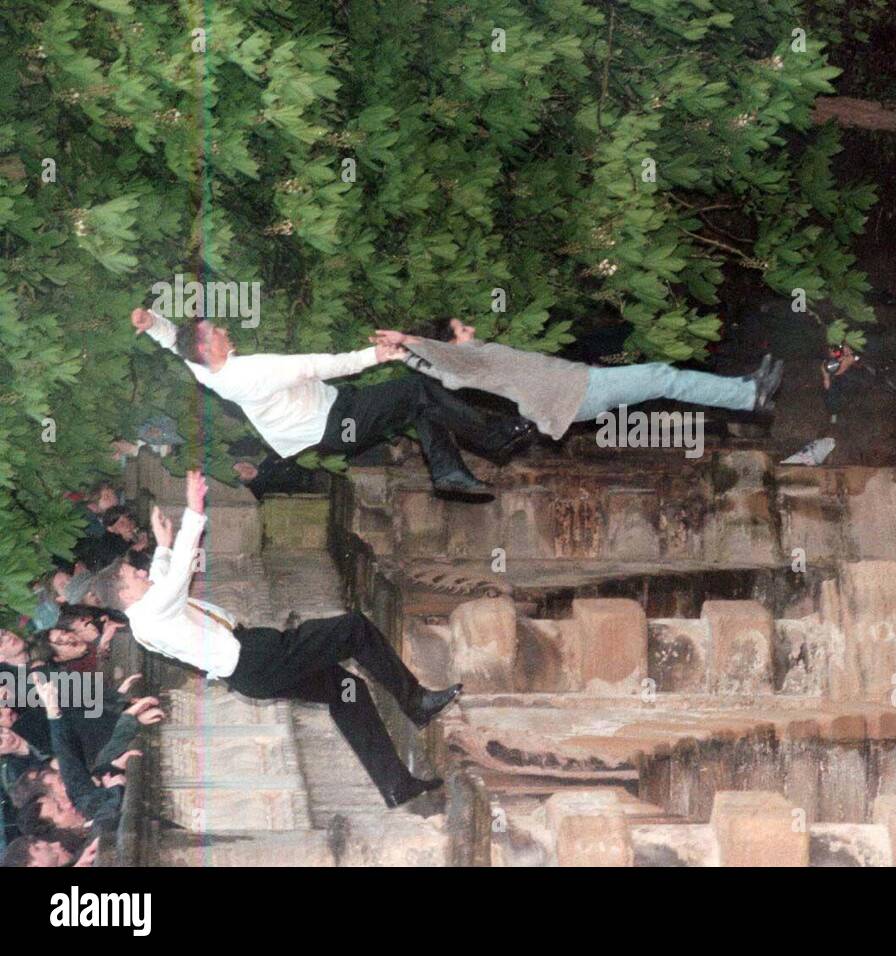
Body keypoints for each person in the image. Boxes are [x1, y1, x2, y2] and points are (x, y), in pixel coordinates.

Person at [91, 470, 462, 809]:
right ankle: (417, 702)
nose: (141, 574)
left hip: (252, 670)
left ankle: (396, 785)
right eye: (133, 575)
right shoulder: (151, 612)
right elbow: (175, 579)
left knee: (346, 690)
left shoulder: (143, 617)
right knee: (354, 628)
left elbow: (162, 579)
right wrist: (193, 510)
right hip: (256, 658)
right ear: (124, 594)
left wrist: (164, 545)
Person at [130, 307, 534, 498]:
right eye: (214, 331)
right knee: (418, 393)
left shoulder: (205, 368)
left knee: (419, 402)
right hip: (334, 420)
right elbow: (318, 366)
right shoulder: (249, 372)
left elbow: (174, 343)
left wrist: (152, 323)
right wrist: (378, 355)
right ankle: (496, 437)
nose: (222, 330)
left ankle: (449, 472)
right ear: (207, 346)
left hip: (332, 417)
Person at [372, 319, 784, 443]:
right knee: (663, 377)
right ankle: (749, 396)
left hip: (577, 391)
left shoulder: (465, 367)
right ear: (450, 341)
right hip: (577, 393)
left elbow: (436, 369)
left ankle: (745, 389)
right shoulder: (469, 362)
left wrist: (404, 356)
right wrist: (408, 339)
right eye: (461, 327)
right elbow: (444, 360)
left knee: (662, 380)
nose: (469, 326)